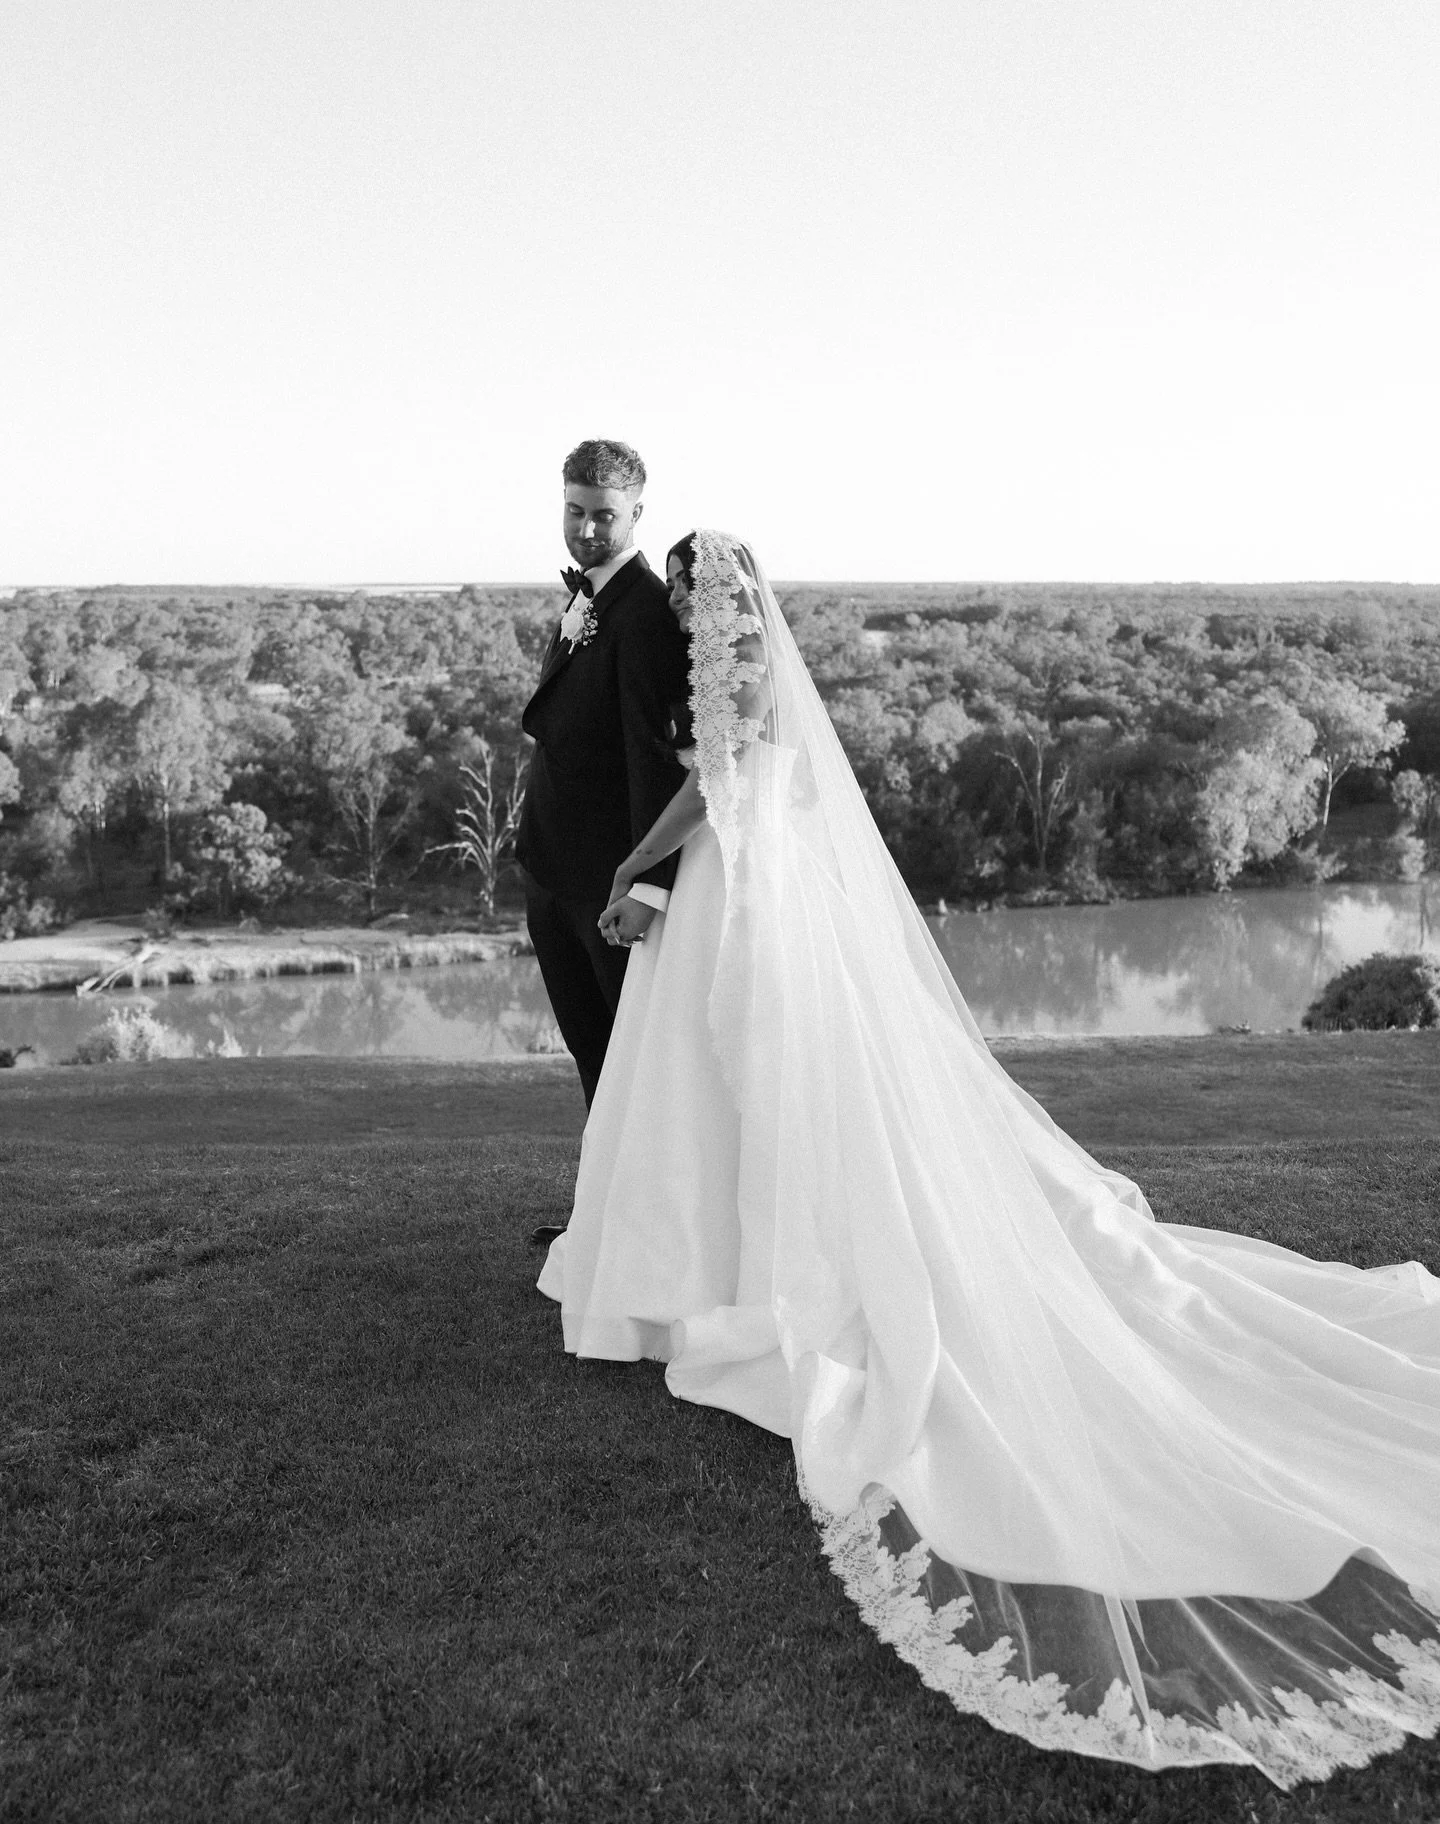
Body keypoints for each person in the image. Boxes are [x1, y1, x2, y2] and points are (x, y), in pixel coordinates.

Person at [540, 529, 1440, 1789]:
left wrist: (639, 860)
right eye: (699, 594)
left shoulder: (728, 669)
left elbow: (730, 775)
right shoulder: (730, 658)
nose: (696, 605)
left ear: (718, 599)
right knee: (732, 1082)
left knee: (755, 1079)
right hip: (752, 882)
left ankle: (734, 1266)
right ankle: (703, 1256)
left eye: (699, 591)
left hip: (738, 881)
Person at [514, 439, 690, 1130]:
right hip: (550, 871)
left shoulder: (646, 618)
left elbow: (656, 763)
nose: (586, 529)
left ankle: (638, 1224)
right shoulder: (588, 601)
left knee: (630, 1057)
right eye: (574, 511)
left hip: (608, 886)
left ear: (636, 513)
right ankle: (600, 1222)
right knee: (591, 1053)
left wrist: (649, 888)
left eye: (604, 516)